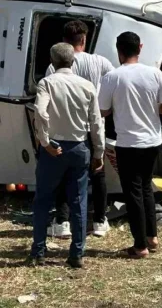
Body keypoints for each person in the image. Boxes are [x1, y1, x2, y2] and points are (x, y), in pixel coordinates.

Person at [98, 32, 162, 258]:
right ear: (140, 47)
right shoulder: (155, 73)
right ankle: (152, 236)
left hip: (128, 143)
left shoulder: (113, 77)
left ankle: (140, 245)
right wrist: (152, 112)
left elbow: (103, 110)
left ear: (118, 49)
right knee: (146, 187)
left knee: (133, 193)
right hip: (152, 141)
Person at [28, 43, 104, 268]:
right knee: (79, 201)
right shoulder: (87, 86)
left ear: (52, 62)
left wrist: (44, 141)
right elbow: (96, 122)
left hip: (54, 147)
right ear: (73, 61)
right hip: (79, 147)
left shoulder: (47, 83)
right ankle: (76, 254)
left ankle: (39, 251)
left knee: (43, 200)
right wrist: (98, 152)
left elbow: (40, 112)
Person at [47, 21, 115, 239]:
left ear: (64, 41)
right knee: (98, 174)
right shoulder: (100, 62)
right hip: (94, 126)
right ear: (84, 39)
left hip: (66, 128)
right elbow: (115, 84)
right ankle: (99, 221)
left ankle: (62, 222)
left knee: (65, 175)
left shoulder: (54, 66)